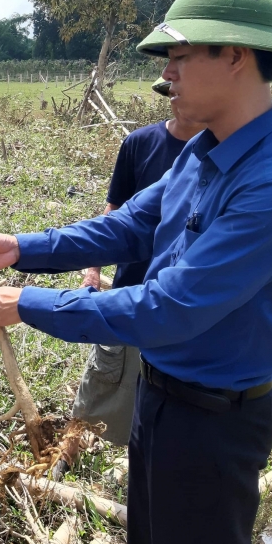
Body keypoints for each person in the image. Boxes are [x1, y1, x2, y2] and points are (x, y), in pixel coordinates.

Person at [0, 0, 272, 544]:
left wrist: (25, 303)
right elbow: (128, 227)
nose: (166, 74)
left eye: (178, 57)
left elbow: (167, 308)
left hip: (214, 424)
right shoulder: (202, 154)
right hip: (160, 400)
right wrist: (23, 248)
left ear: (234, 57)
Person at [73, 77, 207, 445]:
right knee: (107, 370)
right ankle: (71, 447)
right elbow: (117, 215)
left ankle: (137, 451)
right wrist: (93, 269)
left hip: (178, 295)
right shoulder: (141, 143)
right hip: (131, 283)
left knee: (160, 383)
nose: (177, 98)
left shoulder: (217, 154)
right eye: (171, 92)